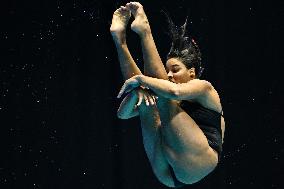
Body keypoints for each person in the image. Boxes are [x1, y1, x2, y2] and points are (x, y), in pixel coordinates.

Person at [110, 2, 225, 188]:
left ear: (192, 73)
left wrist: (141, 80)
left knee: (161, 96)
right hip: (167, 173)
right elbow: (122, 114)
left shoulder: (205, 88)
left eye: (175, 69)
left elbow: (175, 91)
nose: (169, 75)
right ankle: (119, 40)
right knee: (148, 99)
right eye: (167, 70)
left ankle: (145, 31)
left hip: (198, 162)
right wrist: (137, 91)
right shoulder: (164, 93)